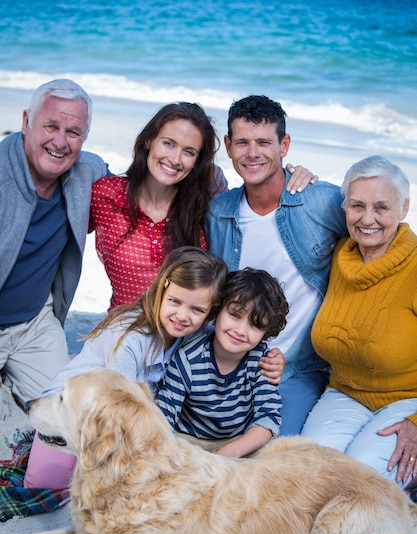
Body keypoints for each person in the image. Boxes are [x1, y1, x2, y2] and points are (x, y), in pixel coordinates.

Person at [23, 246, 229, 489]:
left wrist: (270, 360)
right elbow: (117, 411)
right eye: (175, 301)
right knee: (46, 486)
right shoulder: (131, 336)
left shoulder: (196, 334)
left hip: (108, 425)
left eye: (197, 310)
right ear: (161, 291)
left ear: (209, 313)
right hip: (70, 410)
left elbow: (231, 342)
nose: (183, 315)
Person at [206, 95, 348, 435]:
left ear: (284, 145)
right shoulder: (218, 212)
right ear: (227, 146)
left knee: (273, 453)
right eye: (242, 142)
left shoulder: (321, 201)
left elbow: (377, 230)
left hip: (299, 367)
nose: (252, 153)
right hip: (232, 358)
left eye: (263, 142)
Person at [89, 101, 317, 309]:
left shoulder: (208, 201)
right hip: (123, 330)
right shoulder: (105, 194)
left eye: (189, 151)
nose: (175, 159)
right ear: (149, 140)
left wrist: (296, 177)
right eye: (168, 143)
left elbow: (256, 210)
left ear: (198, 161)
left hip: (185, 342)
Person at [301, 155, 417, 489]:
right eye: (357, 206)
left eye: (382, 207)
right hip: (345, 393)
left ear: (404, 208)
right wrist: (297, 173)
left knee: (359, 485)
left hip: (408, 401)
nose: (368, 219)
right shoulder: (338, 255)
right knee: (308, 475)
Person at [0, 79, 108, 418]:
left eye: (74, 131)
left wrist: (209, 180)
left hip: (35, 322)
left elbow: (142, 191)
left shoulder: (87, 171)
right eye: (51, 126)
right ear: (25, 122)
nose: (60, 142)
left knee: (64, 420)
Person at [156, 268, 289, 458]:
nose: (241, 330)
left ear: (266, 332)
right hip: (188, 441)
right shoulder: (187, 358)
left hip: (238, 442)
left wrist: (231, 452)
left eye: (255, 325)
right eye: (234, 315)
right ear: (218, 310)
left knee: (276, 458)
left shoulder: (262, 361)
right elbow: (165, 416)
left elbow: (268, 419)